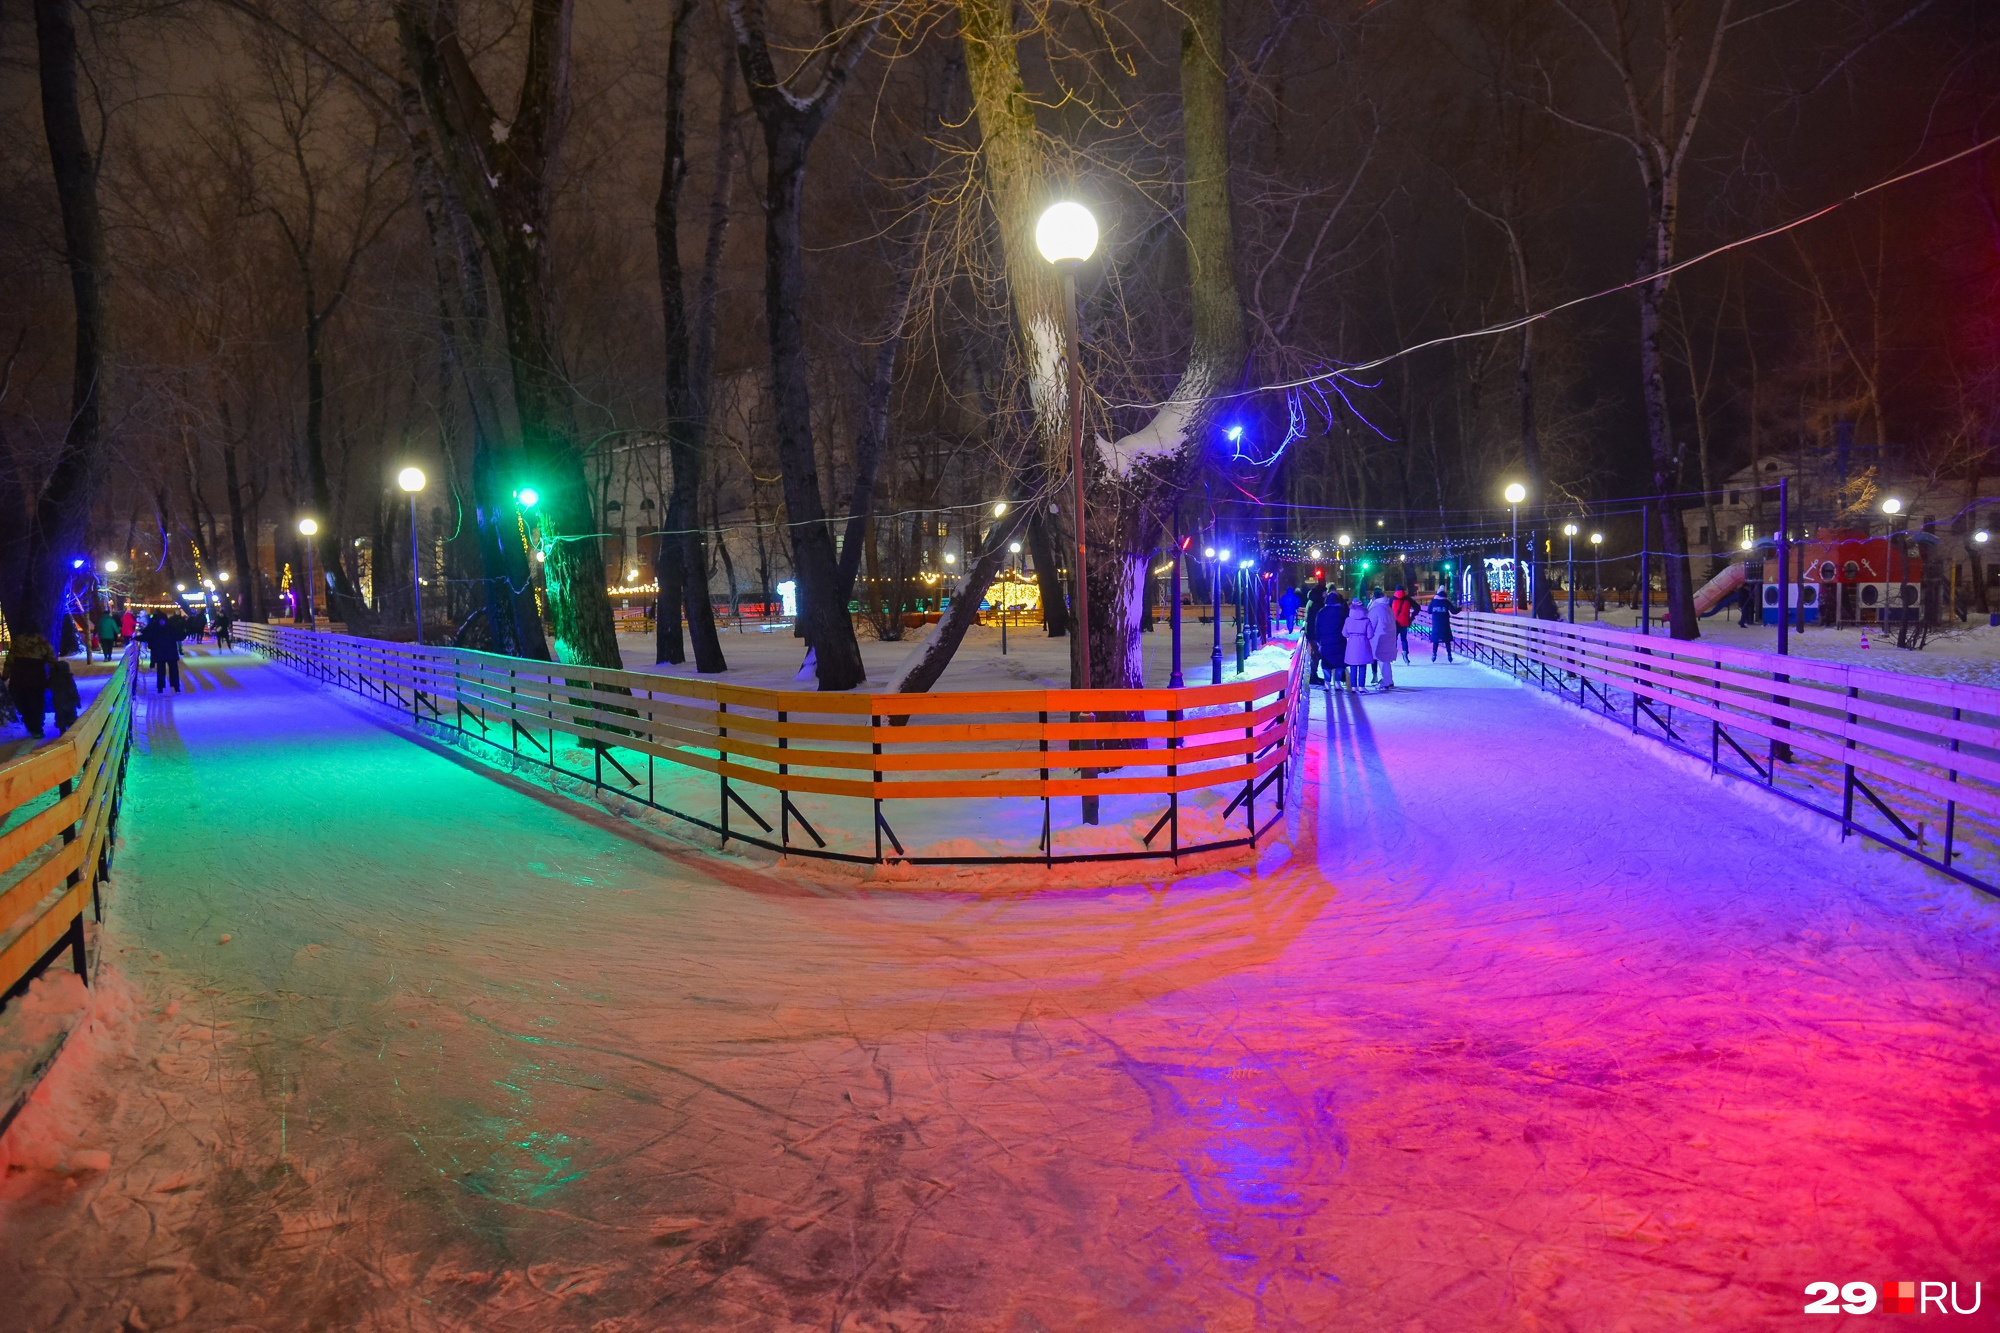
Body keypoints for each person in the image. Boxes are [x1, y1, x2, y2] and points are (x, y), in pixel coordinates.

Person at [4, 634, 54, 738]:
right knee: (37, 703)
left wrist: (5, 675)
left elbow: (9, 660)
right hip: (37, 677)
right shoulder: (42, 641)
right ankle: (37, 727)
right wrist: (54, 675)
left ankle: (30, 724)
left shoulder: (18, 641)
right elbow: (52, 660)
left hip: (19, 677)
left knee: (24, 702)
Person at [141, 612, 184, 693]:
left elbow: (178, 635)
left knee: (174, 671)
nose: (162, 622)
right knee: (161, 671)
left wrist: (183, 633)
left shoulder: (171, 628)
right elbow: (147, 636)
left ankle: (176, 686)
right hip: (161, 653)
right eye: (160, 620)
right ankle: (160, 687)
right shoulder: (156, 629)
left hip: (171, 653)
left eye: (163, 620)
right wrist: (136, 638)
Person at [1342, 589, 1375, 689]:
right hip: (1363, 643)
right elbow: (1370, 635)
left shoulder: (1348, 620)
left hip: (1352, 643)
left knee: (1353, 666)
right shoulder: (1367, 620)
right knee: (1362, 666)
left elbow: (1344, 633)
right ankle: (1361, 686)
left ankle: (1353, 686)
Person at [1317, 589, 1348, 689]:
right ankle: (1337, 683)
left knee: (1326, 663)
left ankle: (1327, 682)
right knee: (1339, 662)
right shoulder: (1342, 612)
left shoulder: (1321, 612)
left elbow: (1317, 627)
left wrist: (1319, 640)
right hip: (1339, 641)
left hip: (1325, 641)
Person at [1368, 588, 1398, 690]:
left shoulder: (1376, 608)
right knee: (1386, 660)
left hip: (1380, 638)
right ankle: (1388, 679)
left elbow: (1370, 624)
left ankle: (1386, 680)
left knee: (1382, 660)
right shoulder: (1387, 607)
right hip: (1389, 636)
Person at [48, 656, 79, 732]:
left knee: (60, 716)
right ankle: (72, 731)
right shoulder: (68, 678)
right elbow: (73, 690)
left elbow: (49, 686)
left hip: (58, 701)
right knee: (70, 716)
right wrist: (77, 700)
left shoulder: (53, 679)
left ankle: (62, 731)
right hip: (69, 701)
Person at [1428, 588, 1458, 662]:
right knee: (1446, 640)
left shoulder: (1433, 601)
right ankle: (1449, 655)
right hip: (1445, 624)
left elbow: (1429, 611)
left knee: (1436, 640)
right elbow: (1453, 611)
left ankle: (1434, 654)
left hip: (1436, 624)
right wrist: (1460, 609)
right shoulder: (1446, 602)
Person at [1303, 587, 1325, 683]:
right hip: (1314, 634)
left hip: (1311, 632)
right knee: (1316, 655)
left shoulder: (1312, 602)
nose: (1326, 594)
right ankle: (1313, 676)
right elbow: (1315, 621)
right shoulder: (1317, 604)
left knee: (1316, 655)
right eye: (1324, 592)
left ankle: (1313, 675)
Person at [1391, 586, 1416, 663]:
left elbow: (1387, 610)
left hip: (1394, 623)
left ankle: (1393, 655)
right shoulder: (1408, 599)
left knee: (1393, 639)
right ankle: (1405, 653)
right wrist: (1411, 617)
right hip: (1404, 622)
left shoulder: (1392, 599)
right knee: (1404, 639)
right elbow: (1417, 607)